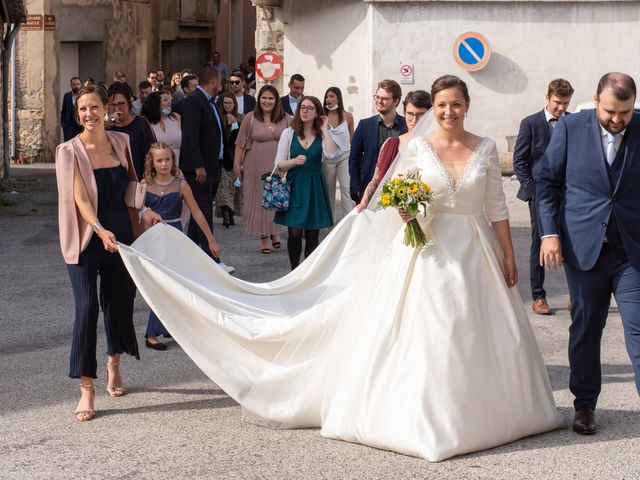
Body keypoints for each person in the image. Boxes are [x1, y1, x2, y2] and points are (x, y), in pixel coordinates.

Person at [119, 74, 563, 461]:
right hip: (426, 251)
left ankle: (489, 412)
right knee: (430, 330)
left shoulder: (484, 148)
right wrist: (407, 211)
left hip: (476, 250)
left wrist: (507, 254)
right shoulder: (417, 148)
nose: (448, 111)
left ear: (467, 107)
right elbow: (392, 196)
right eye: (442, 105)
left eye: (456, 105)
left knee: (480, 329)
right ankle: (427, 417)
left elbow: (497, 207)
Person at [537, 72, 640, 435]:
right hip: (583, 249)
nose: (617, 119)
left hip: (631, 250)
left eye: (625, 113)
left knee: (638, 327)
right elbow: (547, 182)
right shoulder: (569, 128)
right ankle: (584, 406)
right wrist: (549, 233)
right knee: (585, 328)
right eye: (611, 110)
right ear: (597, 100)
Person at [55, 85, 162, 421]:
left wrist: (144, 210)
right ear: (78, 114)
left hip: (122, 233)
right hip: (88, 236)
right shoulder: (68, 151)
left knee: (119, 301)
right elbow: (80, 200)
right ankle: (86, 386)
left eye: (94, 107)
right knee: (87, 308)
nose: (89, 114)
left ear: (107, 110)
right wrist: (100, 230)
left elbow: (131, 183)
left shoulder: (121, 142)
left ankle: (113, 361)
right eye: (82, 109)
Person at [141, 142, 221, 350]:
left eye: (167, 159)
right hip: (152, 240)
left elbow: (197, 212)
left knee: (175, 283)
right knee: (157, 284)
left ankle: (170, 326)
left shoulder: (180, 184)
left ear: (172, 160)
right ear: (152, 162)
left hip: (175, 237)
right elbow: (136, 211)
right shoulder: (145, 184)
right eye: (159, 160)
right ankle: (151, 333)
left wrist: (210, 239)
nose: (164, 163)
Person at [514, 78, 574, 315]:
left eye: (566, 103)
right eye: (558, 102)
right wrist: (532, 191)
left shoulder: (572, 122)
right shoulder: (530, 123)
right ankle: (538, 297)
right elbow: (520, 161)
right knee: (540, 243)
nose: (561, 108)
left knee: (572, 242)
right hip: (540, 196)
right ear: (547, 98)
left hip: (569, 194)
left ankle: (575, 294)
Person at [181, 65, 235, 274]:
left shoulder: (210, 102)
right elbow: (190, 135)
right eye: (220, 81)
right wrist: (198, 165)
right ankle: (214, 261)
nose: (221, 85)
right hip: (199, 170)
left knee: (198, 217)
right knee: (203, 212)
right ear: (213, 80)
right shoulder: (195, 100)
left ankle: (187, 257)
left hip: (213, 166)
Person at [274, 96, 338, 269]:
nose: (304, 111)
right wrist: (293, 161)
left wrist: (325, 129)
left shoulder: (322, 134)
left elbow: (332, 154)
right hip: (295, 186)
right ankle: (294, 270)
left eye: (310, 108)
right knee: (294, 233)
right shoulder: (288, 133)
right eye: (302, 107)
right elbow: (279, 164)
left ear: (317, 112)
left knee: (312, 235)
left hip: (315, 187)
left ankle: (306, 274)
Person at [234, 84, 288, 254]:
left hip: (278, 164)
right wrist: (237, 164)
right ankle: (264, 237)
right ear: (259, 100)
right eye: (264, 98)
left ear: (276, 101)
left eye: (271, 98)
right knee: (259, 199)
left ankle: (275, 231)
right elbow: (240, 144)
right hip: (254, 165)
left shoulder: (286, 118)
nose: (267, 101)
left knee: (276, 197)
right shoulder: (250, 118)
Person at [356, 90, 432, 211]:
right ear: (404, 113)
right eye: (410, 114)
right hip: (391, 209)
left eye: (420, 115)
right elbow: (375, 181)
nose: (414, 120)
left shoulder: (437, 145)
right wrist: (364, 203)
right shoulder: (391, 144)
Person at [349, 79, 407, 203]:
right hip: (368, 191)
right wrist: (358, 188)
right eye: (377, 97)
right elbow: (354, 159)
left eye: (384, 98)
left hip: (399, 189)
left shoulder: (406, 126)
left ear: (396, 101)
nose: (379, 101)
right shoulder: (365, 125)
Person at [106, 83, 155, 179]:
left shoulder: (141, 124)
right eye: (112, 104)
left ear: (129, 103)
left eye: (121, 104)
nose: (117, 108)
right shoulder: (106, 127)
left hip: (138, 181)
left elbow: (152, 154)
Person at [321, 87, 355, 222]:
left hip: (345, 157)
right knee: (329, 194)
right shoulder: (322, 117)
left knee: (345, 189)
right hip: (328, 159)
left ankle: (349, 223)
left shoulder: (348, 116)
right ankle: (331, 226)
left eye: (331, 96)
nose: (328, 99)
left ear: (338, 98)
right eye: (326, 97)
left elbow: (352, 138)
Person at [215, 93, 244, 228]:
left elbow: (240, 138)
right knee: (223, 187)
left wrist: (235, 124)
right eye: (225, 103)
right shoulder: (218, 117)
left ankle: (231, 213)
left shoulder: (240, 118)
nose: (227, 106)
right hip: (222, 158)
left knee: (233, 187)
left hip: (235, 157)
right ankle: (225, 213)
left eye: (230, 103)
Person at [141, 91, 182, 164]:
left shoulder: (176, 117)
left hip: (178, 167)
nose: (169, 102)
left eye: (169, 100)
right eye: (165, 100)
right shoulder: (146, 122)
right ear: (155, 103)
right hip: (157, 166)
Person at [61, 76, 82, 141]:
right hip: (68, 126)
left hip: (80, 125)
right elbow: (63, 110)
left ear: (80, 85)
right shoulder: (67, 96)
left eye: (78, 84)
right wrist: (63, 123)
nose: (76, 86)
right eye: (74, 85)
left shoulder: (83, 95)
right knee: (68, 144)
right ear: (71, 85)